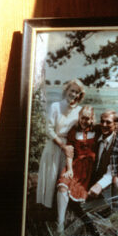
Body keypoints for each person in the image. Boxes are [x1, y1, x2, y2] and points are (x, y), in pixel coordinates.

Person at [36, 79, 85, 209]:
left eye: (77, 92)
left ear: (80, 95)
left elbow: (84, 128)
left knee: (63, 178)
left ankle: (61, 209)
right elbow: (49, 130)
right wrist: (62, 146)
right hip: (55, 145)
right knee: (51, 176)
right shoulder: (56, 106)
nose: (74, 94)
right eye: (72, 91)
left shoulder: (80, 110)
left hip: (70, 149)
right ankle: (46, 209)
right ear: (66, 91)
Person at [54, 106, 96, 233]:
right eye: (82, 118)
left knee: (79, 193)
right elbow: (70, 151)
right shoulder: (74, 130)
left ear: (92, 119)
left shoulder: (97, 129)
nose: (84, 121)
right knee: (62, 185)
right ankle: (60, 225)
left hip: (89, 167)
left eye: (87, 119)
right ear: (79, 117)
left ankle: (86, 226)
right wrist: (70, 169)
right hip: (75, 164)